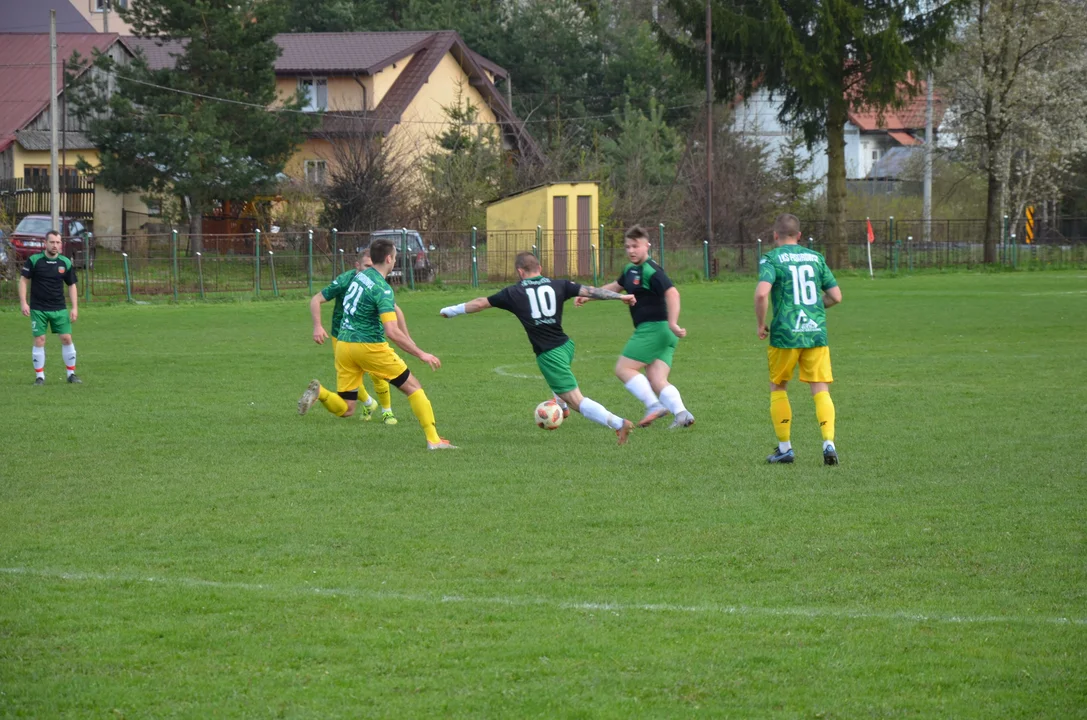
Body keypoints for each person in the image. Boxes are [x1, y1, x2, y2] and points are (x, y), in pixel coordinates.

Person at [439, 251, 637, 445]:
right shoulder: (560, 284)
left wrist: (451, 311)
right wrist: (620, 297)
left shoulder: (514, 292)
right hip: (566, 346)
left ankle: (619, 424)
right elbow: (591, 291)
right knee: (558, 383)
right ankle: (560, 403)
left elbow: (481, 303)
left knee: (577, 401)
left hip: (550, 354)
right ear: (539, 268)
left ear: (520, 271)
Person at [298, 238, 455, 450]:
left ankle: (321, 393)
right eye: (395, 258)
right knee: (414, 387)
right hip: (369, 346)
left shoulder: (359, 277)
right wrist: (421, 353)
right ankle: (434, 441)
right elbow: (391, 331)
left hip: (344, 345)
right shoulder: (383, 289)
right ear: (389, 258)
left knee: (347, 408)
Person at [574, 225, 694, 429]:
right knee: (656, 379)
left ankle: (653, 406)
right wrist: (589, 295)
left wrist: (673, 322)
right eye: (628, 246)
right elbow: (615, 287)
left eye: (635, 246)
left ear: (647, 246)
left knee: (623, 368)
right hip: (663, 334)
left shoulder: (652, 270)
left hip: (654, 329)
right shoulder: (629, 270)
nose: (631, 251)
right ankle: (682, 414)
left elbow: (673, 294)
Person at [754, 213, 843, 465]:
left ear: (775, 235)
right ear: (799, 235)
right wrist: (814, 306)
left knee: (779, 387)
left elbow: (762, 294)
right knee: (820, 389)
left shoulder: (771, 258)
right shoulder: (816, 258)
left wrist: (761, 324)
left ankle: (785, 449)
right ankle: (828, 443)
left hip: (785, 333)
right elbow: (836, 296)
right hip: (815, 332)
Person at [307, 248, 408, 425]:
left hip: (370, 337)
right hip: (342, 336)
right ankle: (369, 403)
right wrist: (317, 326)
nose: (371, 268)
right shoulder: (345, 280)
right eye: (367, 265)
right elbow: (316, 299)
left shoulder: (376, 283)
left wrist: (406, 337)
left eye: (373, 265)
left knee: (378, 375)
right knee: (352, 378)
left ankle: (387, 411)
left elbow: (395, 309)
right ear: (357, 265)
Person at [19, 230, 80, 385]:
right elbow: (23, 281)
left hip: (59, 307)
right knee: (40, 339)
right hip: (38, 308)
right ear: (45, 243)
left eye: (58, 242)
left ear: (61, 244)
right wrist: (23, 302)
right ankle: (40, 377)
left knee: (66, 338)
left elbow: (72, 285)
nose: (55, 245)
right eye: (52, 242)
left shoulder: (65, 262)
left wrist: (74, 307)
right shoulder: (34, 260)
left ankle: (71, 374)